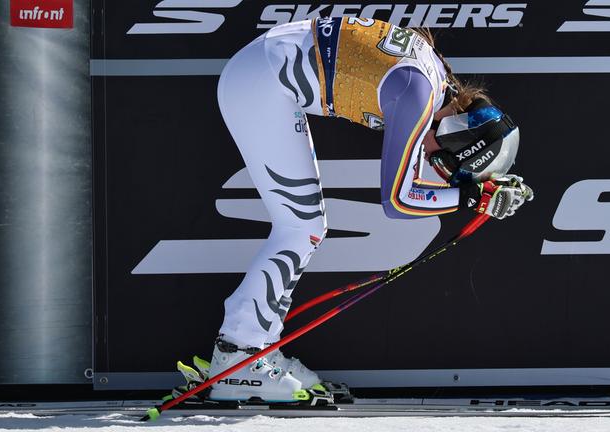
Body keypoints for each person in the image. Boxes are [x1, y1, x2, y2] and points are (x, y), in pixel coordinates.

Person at [206, 17, 533, 403]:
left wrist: (475, 191)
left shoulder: (433, 82)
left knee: (303, 225)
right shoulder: (419, 93)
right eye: (446, 162)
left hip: (264, 74)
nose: (437, 164)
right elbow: (397, 200)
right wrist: (471, 197)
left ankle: (253, 349)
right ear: (458, 137)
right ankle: (239, 359)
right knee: (300, 228)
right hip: (261, 83)